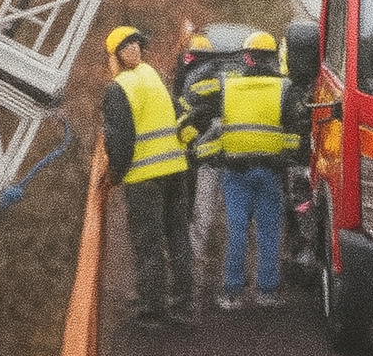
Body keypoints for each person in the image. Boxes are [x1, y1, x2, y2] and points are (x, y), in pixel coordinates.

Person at [198, 31, 307, 310]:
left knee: (236, 232)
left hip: (235, 172)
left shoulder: (228, 85)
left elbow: (200, 106)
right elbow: (296, 131)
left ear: (246, 57)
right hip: (270, 172)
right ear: (273, 58)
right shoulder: (285, 88)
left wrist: (211, 153)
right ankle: (266, 293)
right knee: (269, 233)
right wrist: (286, 156)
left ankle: (232, 294)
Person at [101, 26, 197, 327]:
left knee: (148, 242)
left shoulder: (119, 88)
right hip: (175, 169)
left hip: (144, 177)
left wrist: (114, 174)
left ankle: (152, 309)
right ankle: (183, 304)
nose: (133, 50)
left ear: (113, 58)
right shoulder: (153, 75)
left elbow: (120, 140)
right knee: (178, 236)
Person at [176, 33, 226, 287]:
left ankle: (195, 261)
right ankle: (208, 258)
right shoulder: (220, 76)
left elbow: (190, 116)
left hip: (201, 156)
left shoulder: (194, 78)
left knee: (200, 209)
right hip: (218, 155)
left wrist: (189, 142)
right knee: (212, 210)